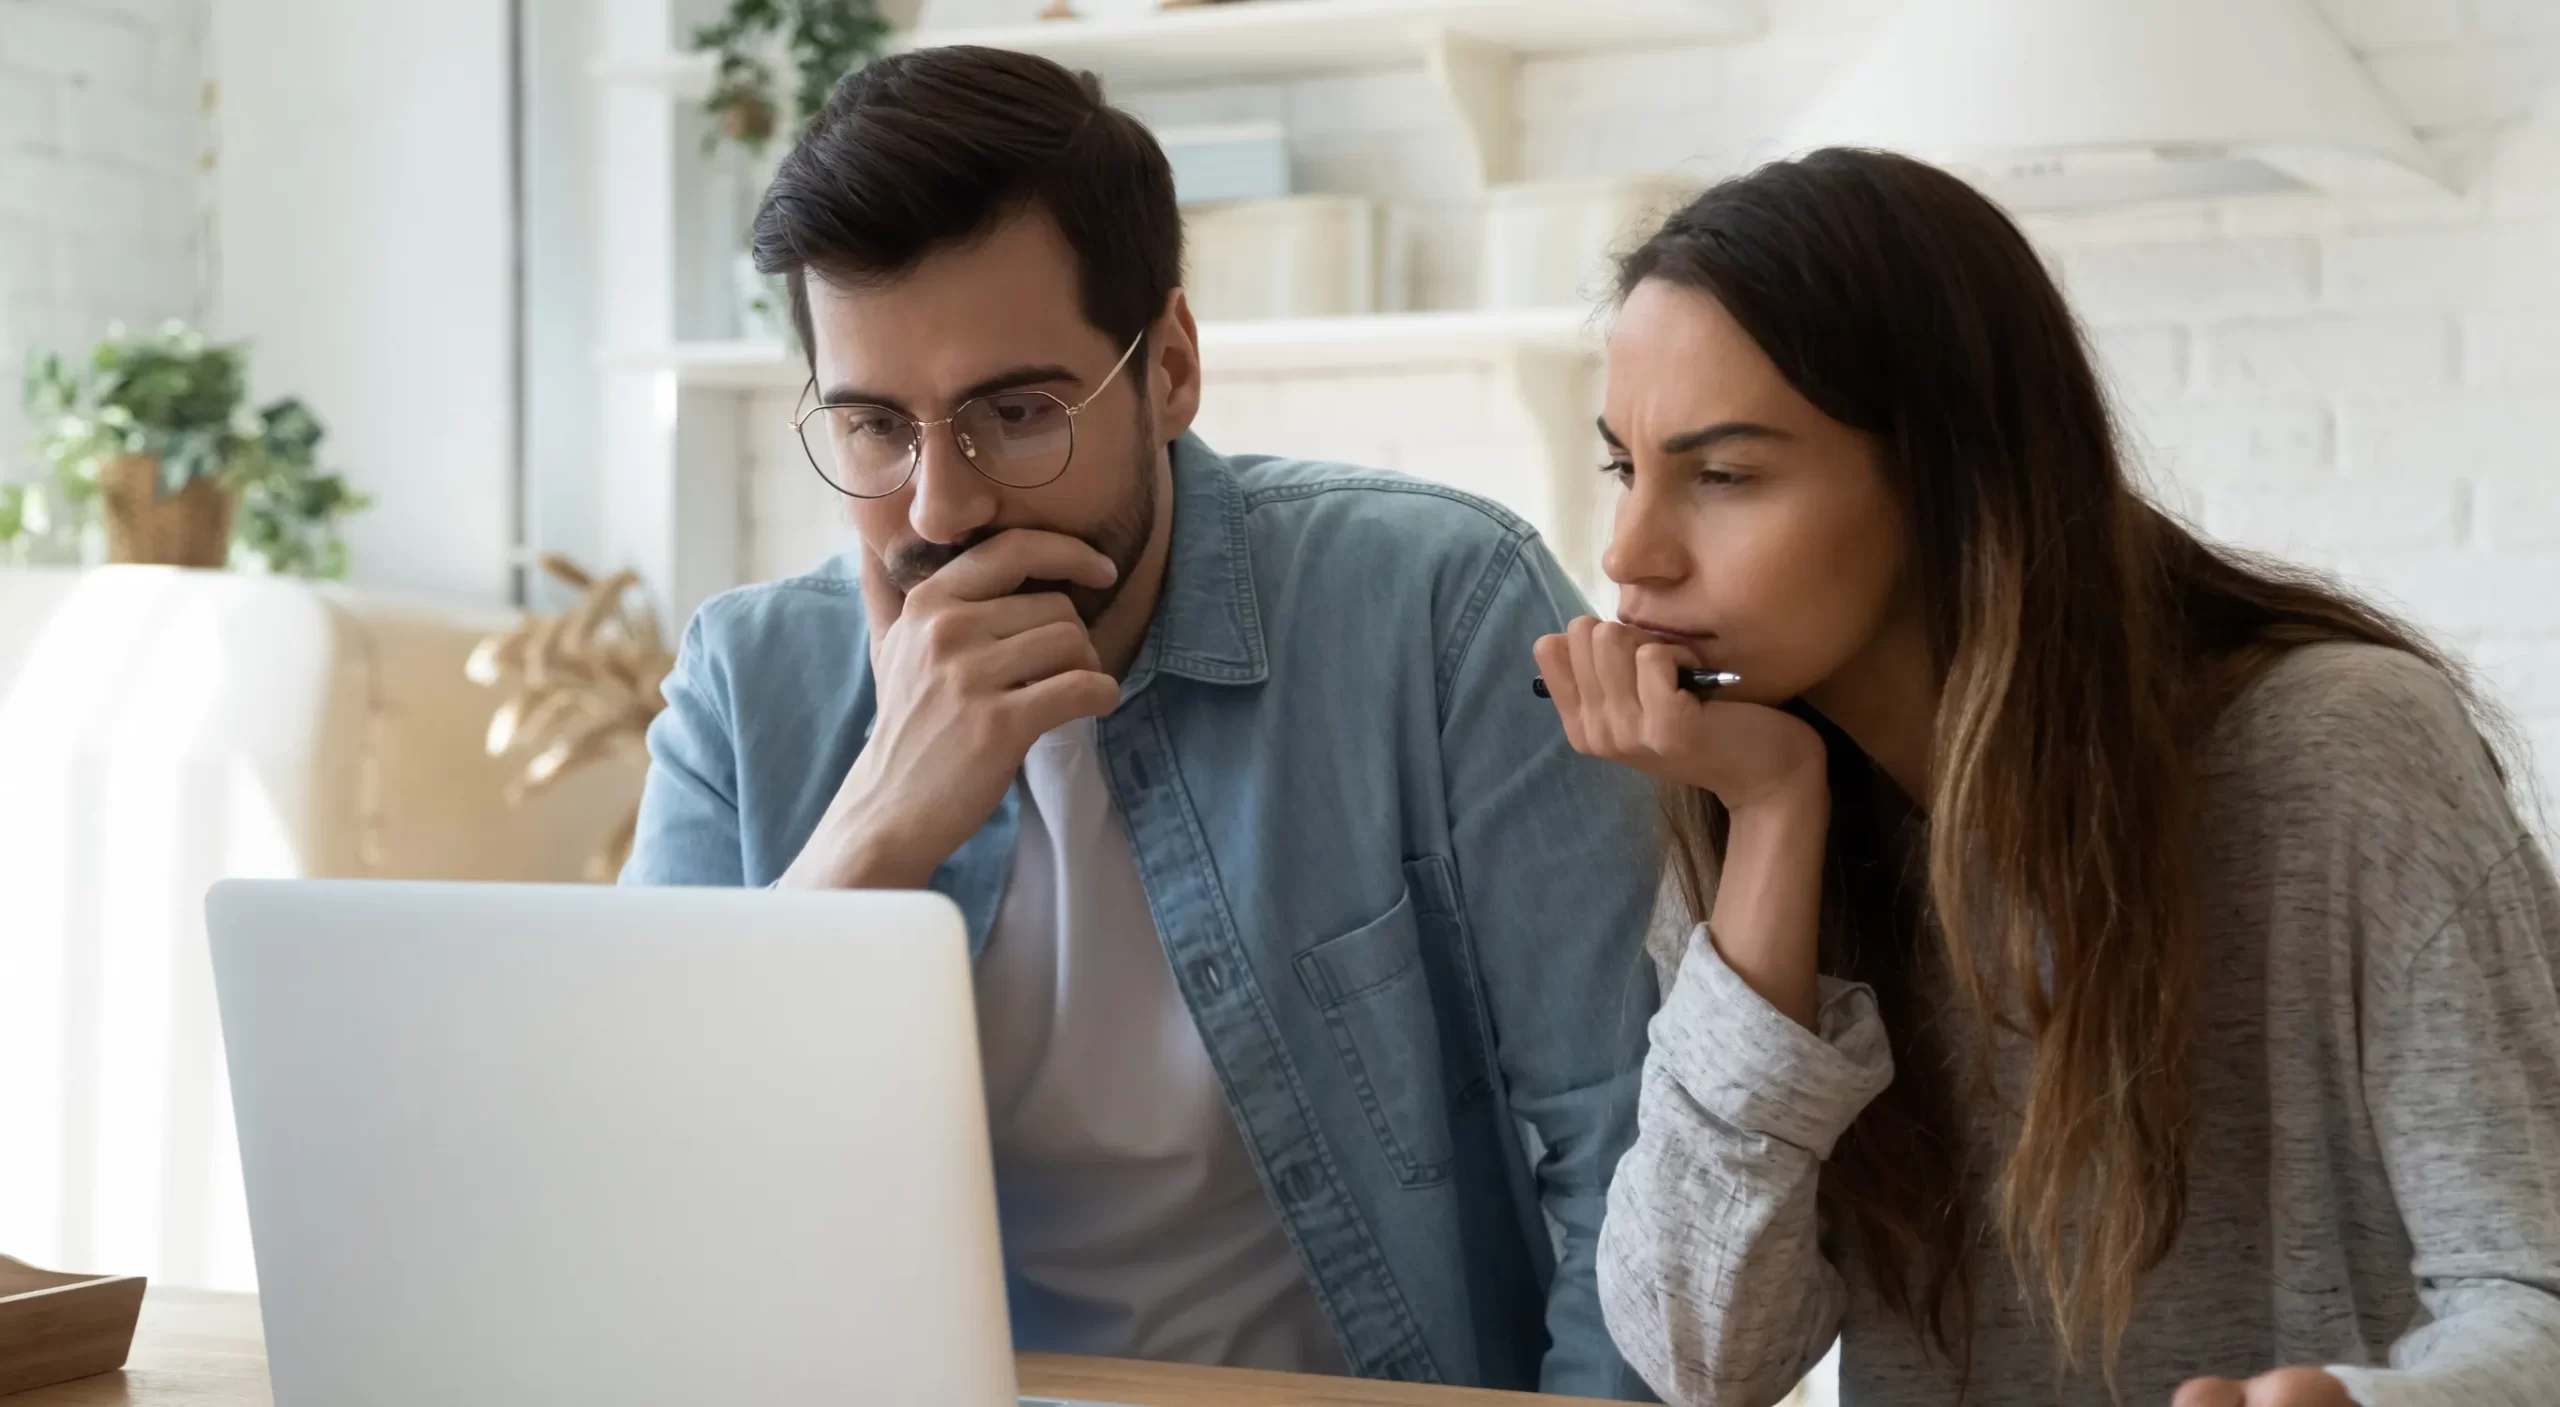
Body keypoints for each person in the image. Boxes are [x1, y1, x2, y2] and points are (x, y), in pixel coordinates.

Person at [619, 44, 1663, 1399]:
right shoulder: (742, 684)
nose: (942, 504)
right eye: (876, 426)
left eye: (1017, 410)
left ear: (1170, 368)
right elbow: (640, 1195)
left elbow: (1631, 1165)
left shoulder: (1439, 608)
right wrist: (876, 827)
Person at [1535, 148, 2560, 1407]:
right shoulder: (1746, 787)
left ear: (1951, 479)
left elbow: (2536, 1291)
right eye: (1623, 468)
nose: (1629, 550)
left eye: (1726, 475)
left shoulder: (2342, 752)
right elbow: (1706, 1357)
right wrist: (1768, 815)